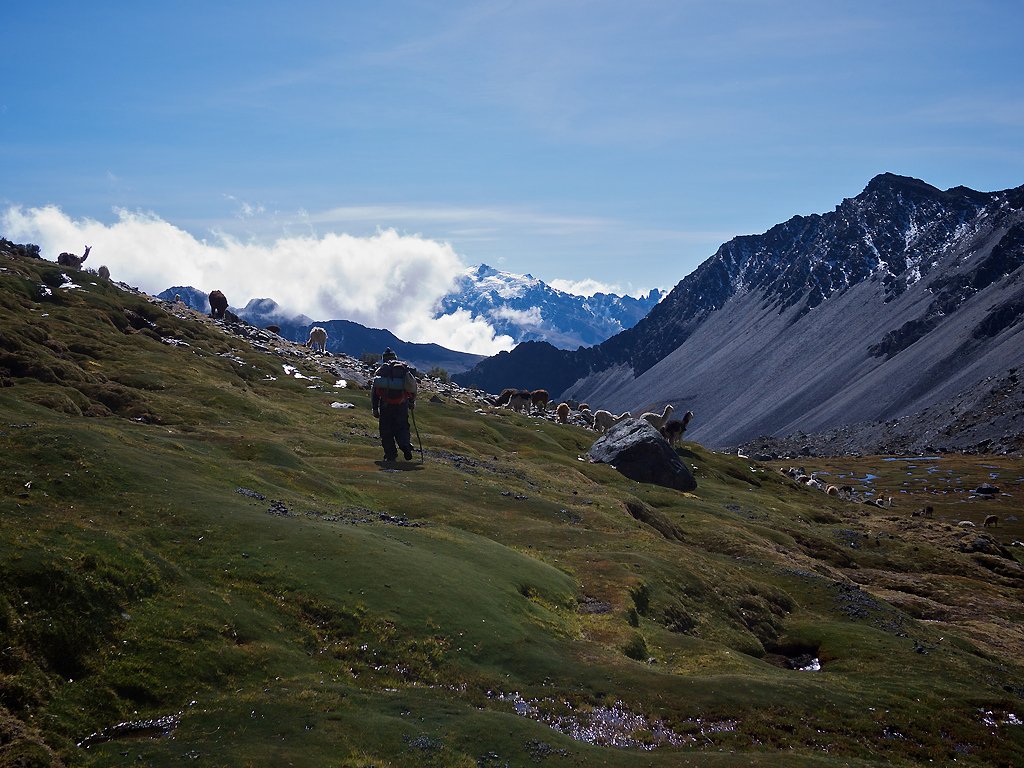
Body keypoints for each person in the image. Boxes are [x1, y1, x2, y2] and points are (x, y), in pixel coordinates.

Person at [371, 348, 418, 462]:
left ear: (384, 359)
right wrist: (411, 402)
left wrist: (375, 408)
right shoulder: (404, 370)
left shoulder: (382, 370)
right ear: (395, 358)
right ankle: (405, 446)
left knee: (386, 430)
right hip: (402, 404)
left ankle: (390, 454)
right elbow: (412, 387)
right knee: (402, 427)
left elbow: (375, 391)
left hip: (386, 405)